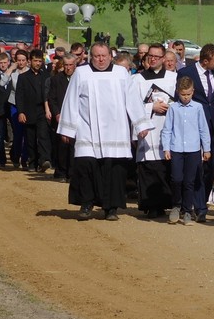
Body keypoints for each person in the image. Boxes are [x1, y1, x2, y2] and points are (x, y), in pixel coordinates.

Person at [58, 42, 148, 221]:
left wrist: (140, 124)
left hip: (116, 130)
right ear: (91, 56)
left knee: (113, 170)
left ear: (110, 56)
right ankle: (86, 203)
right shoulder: (81, 73)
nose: (100, 59)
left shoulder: (121, 73)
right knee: (86, 166)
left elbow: (133, 100)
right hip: (87, 129)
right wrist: (67, 129)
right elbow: (71, 101)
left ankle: (111, 208)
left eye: (104, 56)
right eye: (97, 56)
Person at [162, 76, 212, 225]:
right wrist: (166, 147)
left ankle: (187, 210)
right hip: (176, 148)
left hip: (193, 150)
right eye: (183, 94)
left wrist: (207, 149)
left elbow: (203, 129)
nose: (185, 97)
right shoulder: (173, 108)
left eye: (188, 94)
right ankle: (176, 206)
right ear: (178, 92)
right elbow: (167, 129)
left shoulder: (197, 107)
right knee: (176, 179)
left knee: (190, 181)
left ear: (193, 92)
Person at [134, 43, 177, 218]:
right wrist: (152, 106)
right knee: (149, 166)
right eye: (150, 56)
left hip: (167, 127)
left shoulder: (173, 78)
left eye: (157, 57)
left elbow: (181, 100)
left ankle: (166, 203)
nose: (153, 59)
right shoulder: (137, 79)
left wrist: (169, 106)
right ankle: (150, 204)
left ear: (164, 59)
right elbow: (132, 105)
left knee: (165, 167)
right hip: (148, 129)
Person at [183, 42, 214, 221]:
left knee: (211, 165)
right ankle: (196, 205)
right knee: (194, 166)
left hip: (212, 125)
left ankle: (202, 201)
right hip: (192, 125)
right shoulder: (186, 73)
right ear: (205, 61)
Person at [16, 49, 52, 172]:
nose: (37, 63)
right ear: (30, 61)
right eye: (35, 61)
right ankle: (32, 163)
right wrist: (20, 112)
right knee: (30, 139)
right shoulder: (23, 77)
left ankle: (44, 160)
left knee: (43, 136)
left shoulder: (46, 76)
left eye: (40, 61)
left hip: (42, 110)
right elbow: (19, 96)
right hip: (28, 111)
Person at [46, 55, 76, 181]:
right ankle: (61, 172)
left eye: (71, 65)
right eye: (66, 65)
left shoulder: (79, 78)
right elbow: (52, 98)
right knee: (61, 145)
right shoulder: (56, 79)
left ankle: (72, 172)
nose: (68, 68)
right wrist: (56, 113)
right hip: (61, 117)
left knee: (73, 145)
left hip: (75, 117)